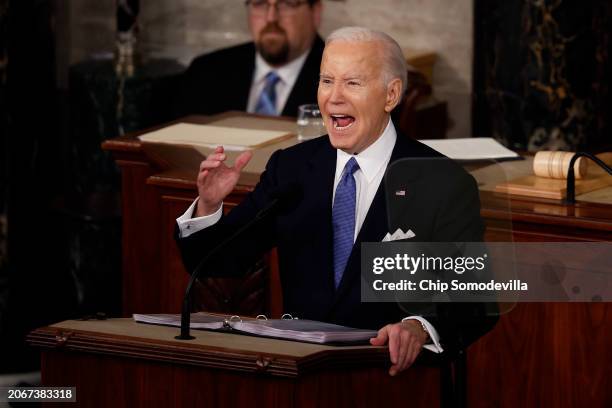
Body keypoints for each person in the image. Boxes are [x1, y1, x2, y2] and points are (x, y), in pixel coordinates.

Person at [176, 27, 497, 376]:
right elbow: (214, 262)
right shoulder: (293, 168)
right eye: (327, 81)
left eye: (352, 83)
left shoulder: (442, 182)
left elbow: (476, 300)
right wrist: (207, 205)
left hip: (387, 379)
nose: (333, 98)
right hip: (299, 376)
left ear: (391, 95)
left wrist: (419, 326)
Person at [173, 0, 324, 118]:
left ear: (315, 12)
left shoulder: (340, 80)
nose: (271, 18)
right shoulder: (206, 71)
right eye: (259, 3)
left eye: (287, 3)